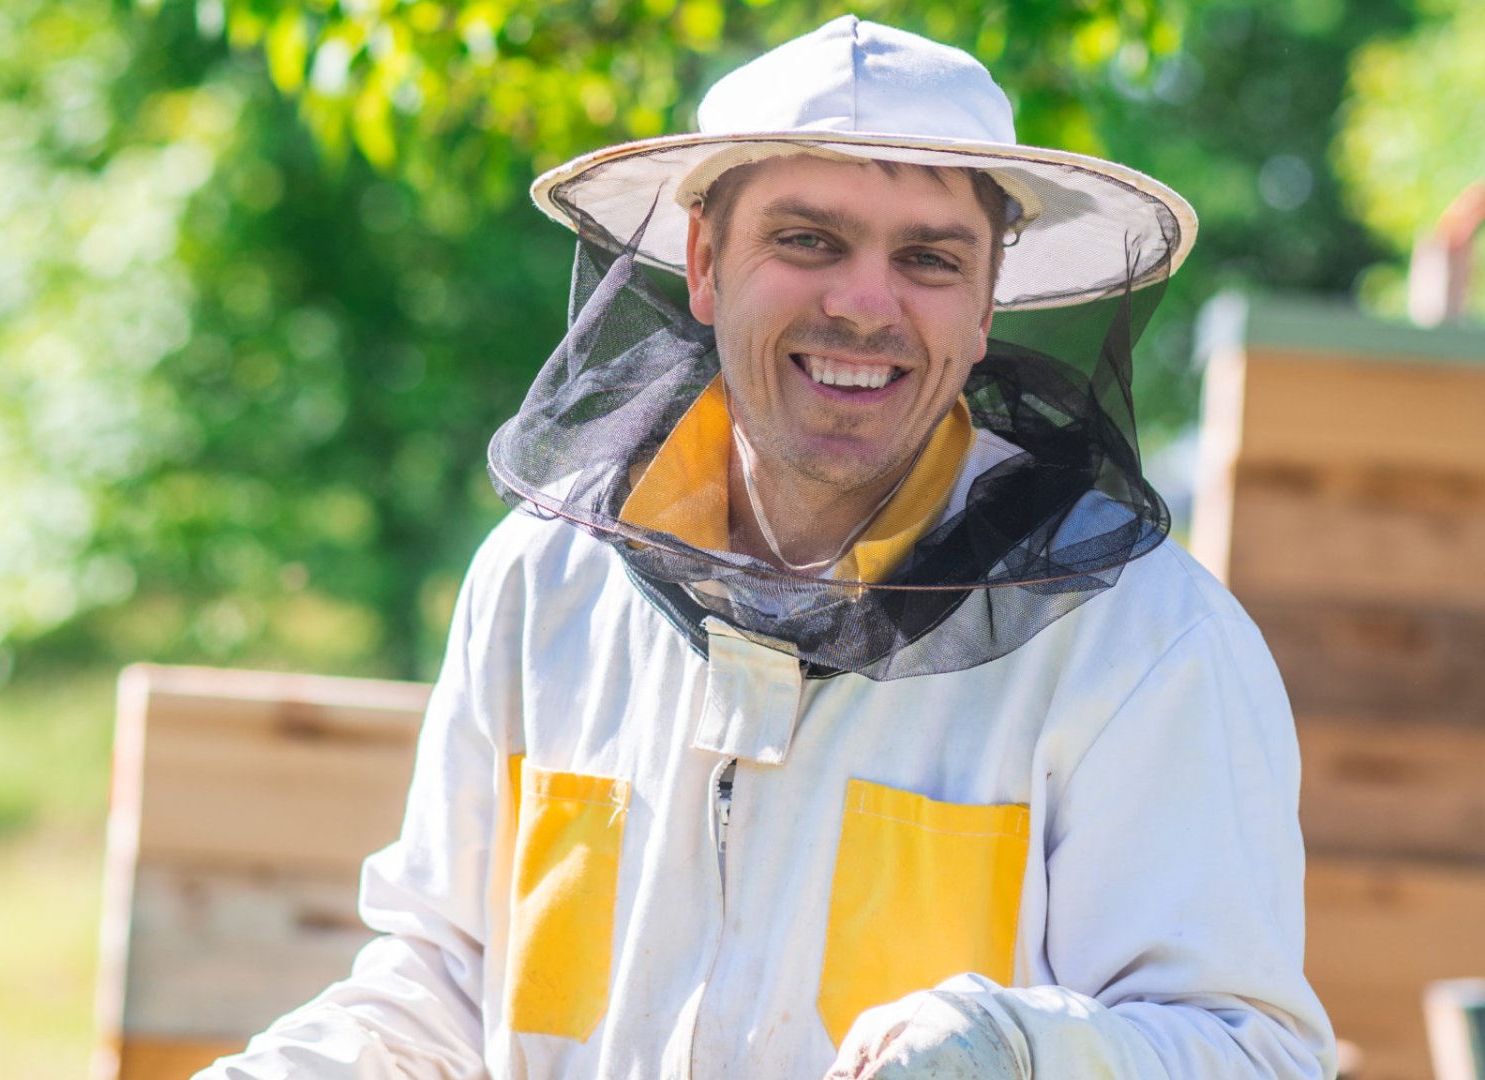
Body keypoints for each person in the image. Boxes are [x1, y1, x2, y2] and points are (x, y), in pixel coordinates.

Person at [201, 15, 1335, 1079]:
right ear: (703, 262)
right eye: (808, 240)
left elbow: (1252, 1051)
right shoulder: (543, 582)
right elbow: (443, 986)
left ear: (987, 302)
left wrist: (1020, 1050)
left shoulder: (1141, 644)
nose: (863, 303)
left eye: (931, 260)